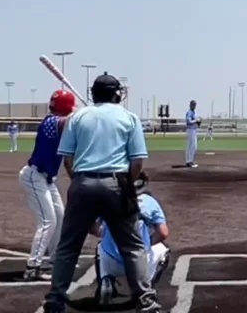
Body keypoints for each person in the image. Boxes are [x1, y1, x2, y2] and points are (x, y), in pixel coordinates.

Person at [43, 72, 160, 313]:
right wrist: (125, 183)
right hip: (116, 183)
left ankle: (55, 301)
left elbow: (68, 159)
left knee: (68, 247)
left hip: (82, 182)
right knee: (132, 246)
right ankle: (146, 301)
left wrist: (80, 182)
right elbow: (137, 161)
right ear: (117, 93)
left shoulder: (77, 118)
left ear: (93, 93)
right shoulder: (129, 118)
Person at [18, 90, 75, 281]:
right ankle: (33, 267)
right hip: (34, 176)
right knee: (47, 221)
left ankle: (56, 260)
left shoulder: (59, 121)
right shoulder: (51, 122)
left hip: (46, 179)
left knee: (60, 216)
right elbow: (67, 123)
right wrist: (86, 114)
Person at [91, 171, 171, 305]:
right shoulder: (148, 201)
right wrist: (145, 243)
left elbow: (91, 227)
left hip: (112, 262)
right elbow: (163, 233)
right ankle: (146, 286)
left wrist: (106, 234)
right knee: (164, 250)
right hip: (138, 263)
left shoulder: (106, 198)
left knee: (101, 247)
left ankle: (106, 280)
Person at [184, 100, 200, 167]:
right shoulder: (189, 112)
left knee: (192, 146)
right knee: (192, 146)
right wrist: (196, 121)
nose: (195, 106)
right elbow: (188, 121)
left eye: (195, 105)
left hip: (193, 130)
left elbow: (193, 122)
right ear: (190, 105)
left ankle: (189, 161)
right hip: (190, 130)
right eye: (194, 105)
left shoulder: (193, 112)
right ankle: (189, 161)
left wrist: (197, 123)